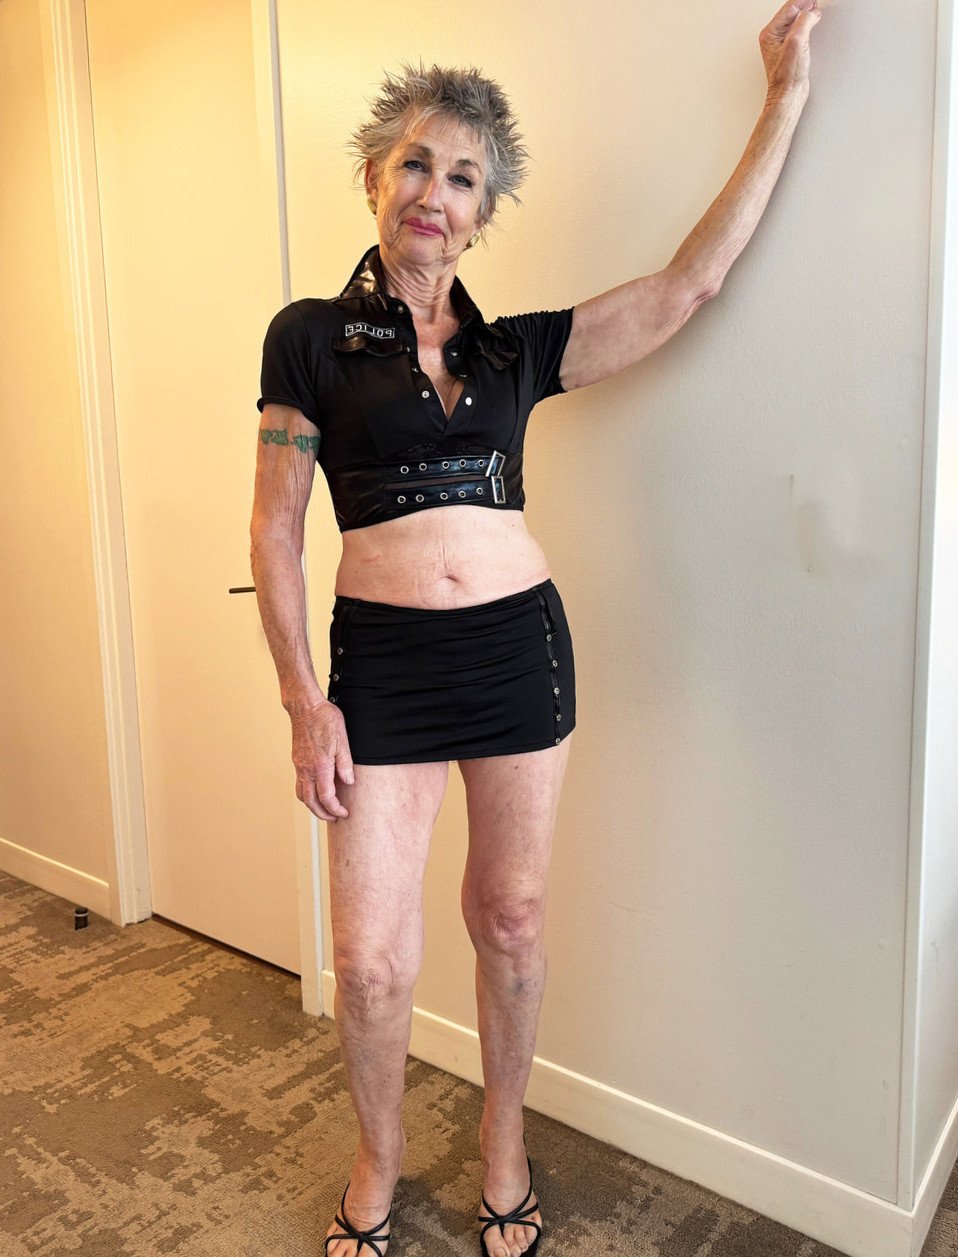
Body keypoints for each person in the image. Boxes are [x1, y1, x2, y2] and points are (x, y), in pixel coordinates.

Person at [249, 6, 821, 1254]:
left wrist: (782, 97)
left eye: (463, 176)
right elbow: (274, 533)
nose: (434, 191)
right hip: (383, 670)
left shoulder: (515, 353)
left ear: (482, 212)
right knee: (371, 959)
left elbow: (688, 285)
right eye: (415, 163)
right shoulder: (310, 338)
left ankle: (502, 1144)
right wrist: (304, 701)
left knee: (509, 920)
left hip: (519, 654)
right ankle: (377, 1158)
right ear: (374, 177)